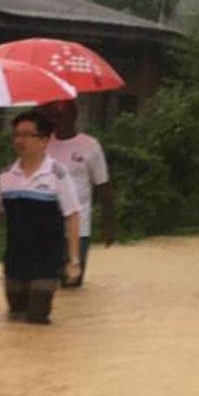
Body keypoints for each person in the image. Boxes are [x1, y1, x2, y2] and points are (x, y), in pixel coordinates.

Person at [0, 110, 82, 325]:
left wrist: (74, 261)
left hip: (47, 260)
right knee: (16, 318)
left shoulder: (58, 174)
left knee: (37, 318)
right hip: (15, 259)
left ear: (44, 140)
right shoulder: (5, 176)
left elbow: (72, 216)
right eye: (16, 135)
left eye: (27, 135)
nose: (20, 140)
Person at [38, 99, 115, 288]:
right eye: (54, 116)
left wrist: (108, 224)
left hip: (79, 229)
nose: (57, 121)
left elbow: (103, 186)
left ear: (74, 115)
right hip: (48, 227)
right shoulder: (44, 145)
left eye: (61, 115)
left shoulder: (90, 146)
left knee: (71, 285)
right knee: (46, 285)